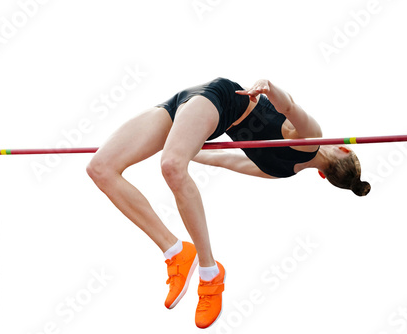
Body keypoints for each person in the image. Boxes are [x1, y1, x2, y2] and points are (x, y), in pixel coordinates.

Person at [86, 77, 370, 329]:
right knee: (104, 168)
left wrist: (270, 87)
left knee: (144, 167)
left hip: (210, 105)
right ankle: (181, 254)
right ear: (323, 176)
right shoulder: (283, 167)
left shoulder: (304, 147)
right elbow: (283, 111)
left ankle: (202, 269)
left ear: (341, 150)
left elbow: (287, 110)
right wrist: (269, 90)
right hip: (202, 101)